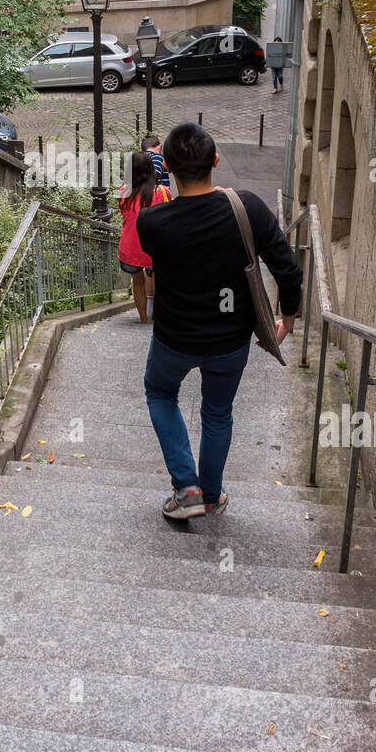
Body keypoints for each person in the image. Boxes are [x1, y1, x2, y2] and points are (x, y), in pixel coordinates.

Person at [136, 123, 302, 519]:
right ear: (215, 160)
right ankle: (211, 495)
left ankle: (186, 487)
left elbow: (155, 267)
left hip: (174, 338)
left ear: (169, 168)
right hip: (230, 341)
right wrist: (288, 319)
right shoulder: (248, 208)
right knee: (216, 412)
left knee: (160, 393)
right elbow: (289, 271)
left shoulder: (153, 222)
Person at [118, 150, 171, 323]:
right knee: (157, 276)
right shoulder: (162, 192)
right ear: (151, 169)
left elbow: (124, 214)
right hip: (155, 247)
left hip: (130, 247)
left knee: (137, 282)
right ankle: (157, 314)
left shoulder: (124, 192)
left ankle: (143, 319)